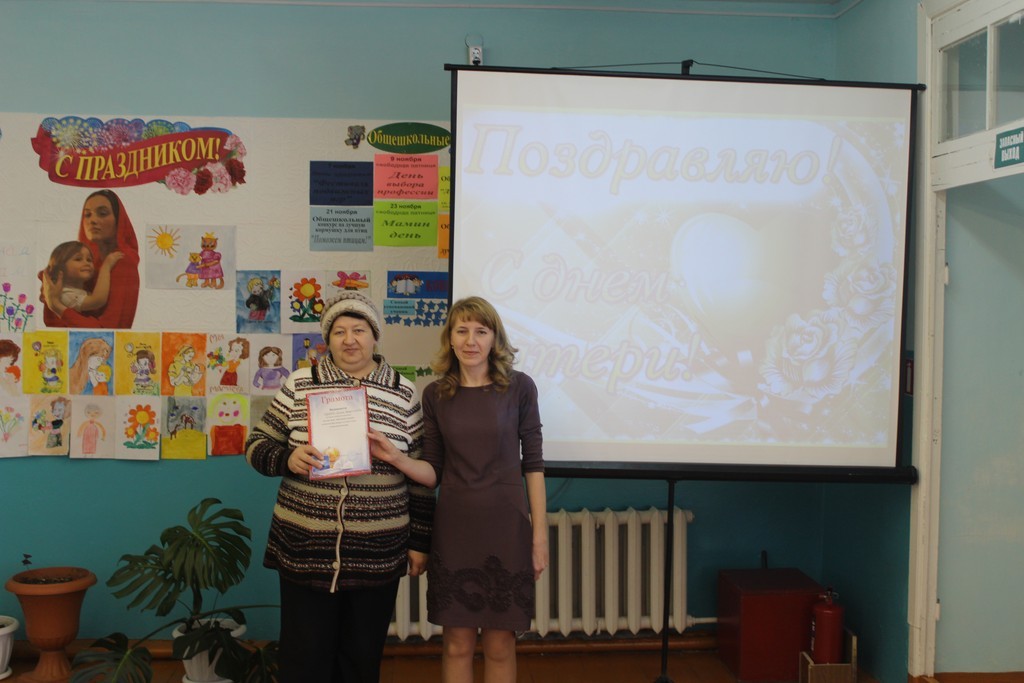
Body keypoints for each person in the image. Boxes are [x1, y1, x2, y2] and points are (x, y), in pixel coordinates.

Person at [245, 291, 434, 683]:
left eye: (359, 330)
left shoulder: (403, 392)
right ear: (327, 340)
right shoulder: (301, 384)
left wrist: (420, 542)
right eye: (339, 331)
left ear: (374, 336)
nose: (350, 340)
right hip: (305, 548)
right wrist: (287, 459)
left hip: (377, 551)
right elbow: (256, 445)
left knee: (360, 660)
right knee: (304, 660)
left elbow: (421, 475)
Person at [368, 295, 548, 683]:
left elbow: (533, 465)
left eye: (481, 331)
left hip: (507, 529)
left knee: (500, 645)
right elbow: (433, 471)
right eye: (462, 330)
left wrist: (539, 536)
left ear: (495, 339)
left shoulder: (520, 388)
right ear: (449, 338)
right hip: (455, 530)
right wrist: (396, 457)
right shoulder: (435, 394)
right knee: (456, 644)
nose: (471, 340)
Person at [40, 189, 140, 328]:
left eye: (102, 213)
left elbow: (107, 330)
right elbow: (53, 323)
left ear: (119, 220)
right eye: (87, 215)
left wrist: (55, 305)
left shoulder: (121, 262)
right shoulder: (89, 267)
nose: (92, 220)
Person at [45, 241, 124, 316]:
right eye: (78, 259)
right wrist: (106, 266)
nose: (86, 263)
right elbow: (97, 301)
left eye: (89, 260)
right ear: (60, 267)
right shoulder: (64, 294)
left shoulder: (81, 290)